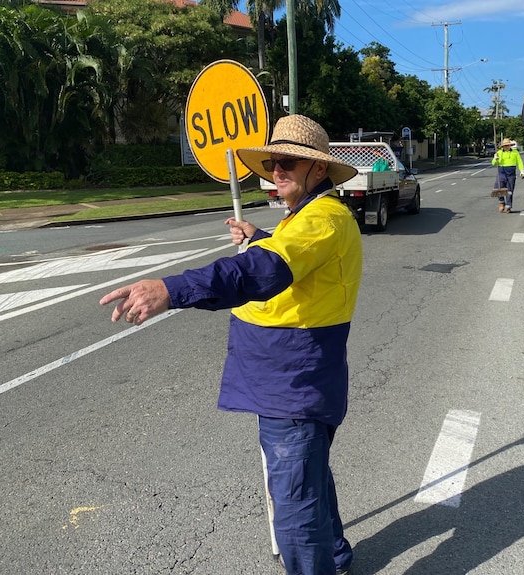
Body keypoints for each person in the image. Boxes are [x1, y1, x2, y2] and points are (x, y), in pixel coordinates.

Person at [99, 114, 362, 575]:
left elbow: (262, 273)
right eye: (272, 162)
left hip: (292, 386)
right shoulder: (303, 217)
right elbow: (295, 263)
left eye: (288, 163)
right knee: (310, 480)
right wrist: (261, 237)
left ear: (318, 170)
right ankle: (336, 558)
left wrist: (170, 290)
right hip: (294, 381)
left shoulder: (323, 218)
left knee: (296, 509)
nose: (277, 171)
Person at [491, 137, 524, 213]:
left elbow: (519, 162)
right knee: (498, 187)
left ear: (510, 145)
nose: (506, 147)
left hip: (511, 173)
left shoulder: (515, 152)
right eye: (505, 145)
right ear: (503, 146)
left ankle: (508, 206)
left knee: (510, 190)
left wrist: (522, 171)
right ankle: (501, 202)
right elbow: (493, 163)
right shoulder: (499, 153)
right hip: (501, 172)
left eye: (508, 145)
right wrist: (495, 158)